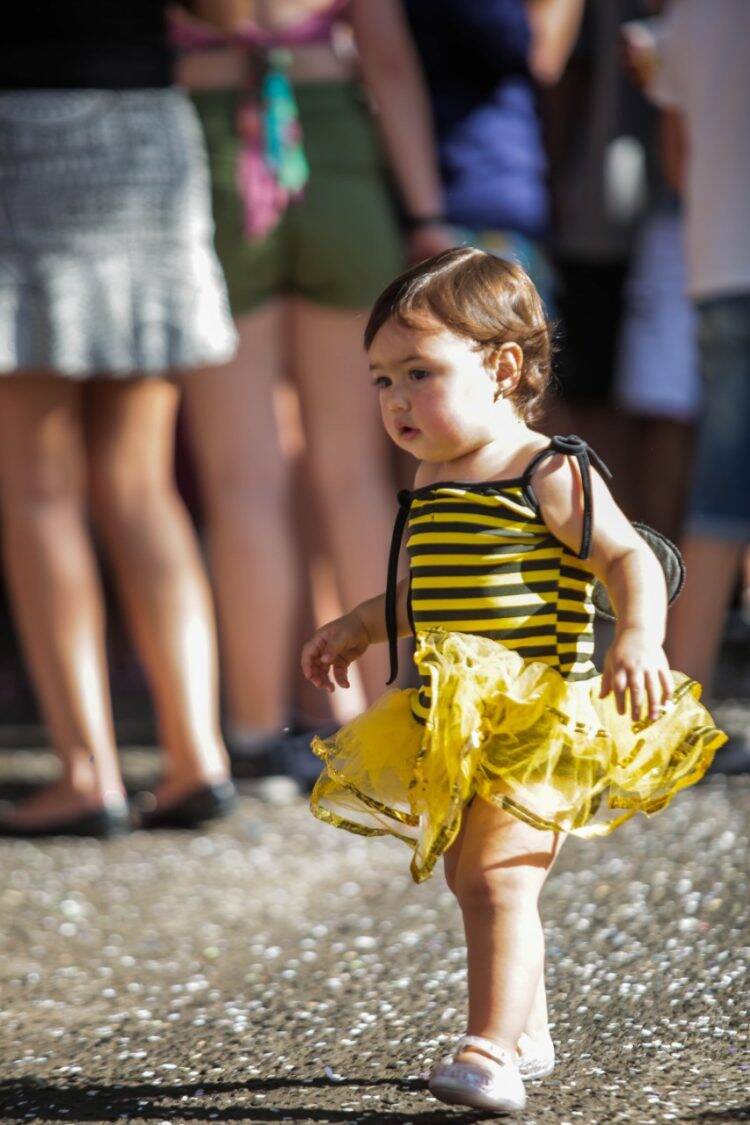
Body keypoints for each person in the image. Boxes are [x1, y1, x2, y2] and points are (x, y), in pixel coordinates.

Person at [301, 248, 724, 1114]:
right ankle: (525, 1027)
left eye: (419, 373)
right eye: (382, 379)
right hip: (455, 715)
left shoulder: (547, 469)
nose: (395, 400)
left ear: (502, 368)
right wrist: (361, 620)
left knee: (501, 876)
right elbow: (426, 592)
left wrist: (640, 636)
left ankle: (488, 1048)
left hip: (544, 714)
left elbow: (629, 558)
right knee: (472, 876)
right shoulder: (430, 478)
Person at [174, 0, 454, 773]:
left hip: (210, 141)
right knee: (355, 469)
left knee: (242, 478)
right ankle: (389, 720)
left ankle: (259, 732)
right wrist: (426, 209)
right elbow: (390, 62)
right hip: (334, 144)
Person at [0, 1, 245, 836]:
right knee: (139, 483)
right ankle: (194, 756)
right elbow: (229, 10)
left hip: (22, 122)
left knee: (39, 489)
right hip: (146, 132)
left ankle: (85, 773)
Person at [647, 0, 750, 775]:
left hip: (718, 263)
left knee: (718, 494)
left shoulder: (682, 18)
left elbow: (678, 162)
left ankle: (680, 709)